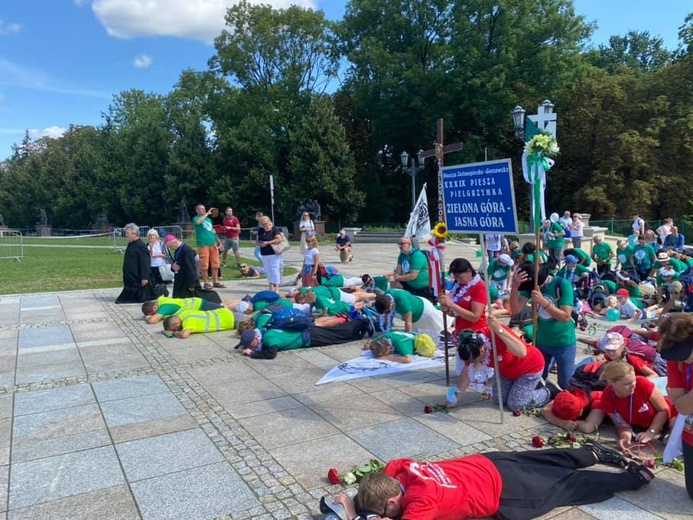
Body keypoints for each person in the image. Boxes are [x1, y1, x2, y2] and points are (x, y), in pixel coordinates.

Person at [333, 443, 653, 520]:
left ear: (392, 502)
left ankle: (631, 479)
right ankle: (589, 452)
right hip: (489, 462)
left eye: (389, 512)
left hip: (504, 493)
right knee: (546, 459)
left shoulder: (421, 503)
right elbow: (389, 466)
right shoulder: (405, 471)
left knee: (565, 488)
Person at [443, 316, 552, 412]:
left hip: (529, 367)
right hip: (506, 371)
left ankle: (548, 391)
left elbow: (522, 352)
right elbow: (466, 373)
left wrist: (499, 330)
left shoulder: (495, 333)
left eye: (475, 361)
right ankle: (521, 388)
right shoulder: (471, 348)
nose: (474, 364)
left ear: (482, 350)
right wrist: (455, 398)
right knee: (499, 400)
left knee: (515, 405)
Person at [510, 262, 576, 389]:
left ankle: (586, 364)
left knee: (566, 384)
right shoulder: (530, 288)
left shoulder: (562, 285)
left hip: (563, 341)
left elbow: (565, 317)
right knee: (538, 381)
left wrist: (542, 302)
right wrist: (514, 287)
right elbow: (515, 310)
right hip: (541, 340)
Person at [600, 361, 676, 452]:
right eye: (627, 384)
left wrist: (651, 431)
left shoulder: (642, 383)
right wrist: (625, 438)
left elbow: (664, 410)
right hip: (641, 425)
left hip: (669, 417)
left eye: (634, 381)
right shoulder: (607, 397)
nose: (633, 386)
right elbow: (622, 426)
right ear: (611, 382)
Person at [657, 313, 693, 498]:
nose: (682, 360)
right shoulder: (676, 362)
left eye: (685, 355)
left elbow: (682, 401)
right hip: (690, 432)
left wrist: (684, 400)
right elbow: (682, 407)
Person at [237, 319, 369, 360]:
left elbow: (271, 354)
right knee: (337, 333)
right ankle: (359, 327)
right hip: (308, 332)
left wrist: (253, 354)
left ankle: (361, 322)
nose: (251, 347)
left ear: (256, 338)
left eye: (251, 344)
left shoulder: (269, 339)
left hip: (311, 337)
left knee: (338, 335)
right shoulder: (264, 332)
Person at [438, 258, 487, 334]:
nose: (457, 279)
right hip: (460, 330)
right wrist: (447, 309)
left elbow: (475, 317)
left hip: (475, 331)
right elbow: (457, 313)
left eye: (459, 276)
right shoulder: (459, 285)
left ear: (469, 272)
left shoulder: (479, 287)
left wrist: (452, 305)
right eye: (455, 276)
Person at [116, 223, 160, 304]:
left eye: (127, 233)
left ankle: (160, 290)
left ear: (134, 234)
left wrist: (144, 277)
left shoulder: (141, 246)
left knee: (143, 297)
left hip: (138, 276)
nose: (126, 235)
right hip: (131, 275)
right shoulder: (131, 243)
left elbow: (145, 262)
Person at [374, 289, 444, 334]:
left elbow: (408, 321)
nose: (387, 313)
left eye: (388, 311)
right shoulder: (385, 297)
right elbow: (386, 316)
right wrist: (386, 331)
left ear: (391, 303)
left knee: (440, 328)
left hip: (424, 312)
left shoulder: (401, 301)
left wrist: (407, 337)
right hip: (414, 313)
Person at [387, 237, 432, 301]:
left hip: (422, 287)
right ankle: (399, 300)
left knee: (395, 279)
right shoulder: (402, 256)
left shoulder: (417, 255)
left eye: (402, 244)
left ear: (409, 244)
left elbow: (412, 276)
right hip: (409, 284)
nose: (400, 246)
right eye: (399, 244)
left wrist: (396, 277)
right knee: (393, 282)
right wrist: (394, 277)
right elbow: (398, 272)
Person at [193, 204, 225, 289]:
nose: (203, 211)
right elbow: (198, 222)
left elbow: (213, 231)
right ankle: (206, 282)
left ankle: (216, 281)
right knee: (204, 264)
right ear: (197, 211)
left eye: (204, 209)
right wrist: (207, 213)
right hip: (203, 244)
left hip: (212, 243)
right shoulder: (196, 218)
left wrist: (219, 242)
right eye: (201, 209)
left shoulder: (208, 220)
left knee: (215, 263)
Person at [141, 296, 229, 324]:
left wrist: (148, 318)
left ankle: (241, 305)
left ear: (154, 308)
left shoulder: (164, 307)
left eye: (153, 313)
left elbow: (152, 321)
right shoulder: (160, 301)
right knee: (222, 305)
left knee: (224, 307)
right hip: (196, 302)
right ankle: (240, 304)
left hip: (199, 305)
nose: (154, 314)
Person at [363, 331, 437, 364]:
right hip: (409, 335)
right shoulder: (385, 337)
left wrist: (387, 358)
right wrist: (371, 349)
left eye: (384, 353)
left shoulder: (401, 345)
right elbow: (368, 345)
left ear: (389, 348)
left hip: (423, 343)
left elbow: (408, 360)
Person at [164, 235, 200, 299]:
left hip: (187, 282)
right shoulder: (178, 250)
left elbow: (191, 268)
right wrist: (172, 267)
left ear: (175, 243)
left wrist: (191, 285)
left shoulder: (186, 250)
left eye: (170, 246)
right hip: (180, 281)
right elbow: (176, 263)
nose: (171, 248)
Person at [162, 307, 236, 339]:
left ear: (176, 324)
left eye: (174, 329)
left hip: (229, 321)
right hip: (224, 312)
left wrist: (175, 333)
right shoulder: (184, 313)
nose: (176, 330)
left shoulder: (188, 321)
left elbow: (184, 335)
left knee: (247, 321)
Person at [257, 216, 283, 292]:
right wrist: (260, 244)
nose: (264, 225)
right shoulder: (260, 230)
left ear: (269, 222)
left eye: (265, 223)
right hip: (264, 253)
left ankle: (277, 287)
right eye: (262, 224)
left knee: (275, 270)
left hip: (273, 253)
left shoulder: (274, 229)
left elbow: (279, 239)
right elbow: (257, 241)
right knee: (268, 270)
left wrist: (268, 242)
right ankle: (270, 286)